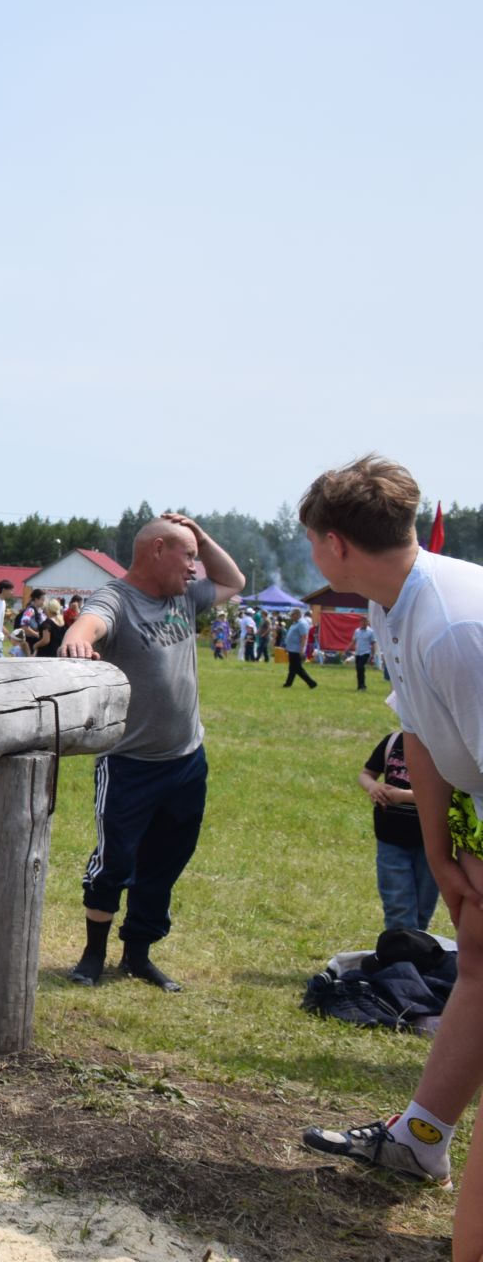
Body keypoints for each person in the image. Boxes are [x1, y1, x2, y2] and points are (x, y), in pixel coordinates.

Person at [297, 458, 483, 1226]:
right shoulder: (392, 601)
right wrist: (440, 853)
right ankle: (419, 1142)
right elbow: (423, 732)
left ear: (334, 543)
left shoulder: (454, 627)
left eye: (310, 541)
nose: (311, 554)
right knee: (474, 963)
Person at [59, 514, 243, 992]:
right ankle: (93, 953)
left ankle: (137, 955)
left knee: (165, 860)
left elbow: (234, 580)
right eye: (187, 556)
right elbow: (90, 624)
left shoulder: (184, 595)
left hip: (186, 759)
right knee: (115, 860)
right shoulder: (117, 597)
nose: (194, 568)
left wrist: (201, 536)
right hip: (130, 765)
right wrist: (78, 641)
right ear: (157, 549)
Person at [359, 729, 432, 932]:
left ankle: (415, 946)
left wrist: (403, 795)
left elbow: (446, 793)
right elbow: (366, 774)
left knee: (423, 906)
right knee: (397, 903)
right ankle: (401, 951)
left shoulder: (442, 744)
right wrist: (372, 786)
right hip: (390, 837)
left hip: (431, 840)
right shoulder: (392, 741)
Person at [283, 608, 317, 688]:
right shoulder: (295, 623)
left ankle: (312, 683)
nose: (291, 616)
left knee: (297, 668)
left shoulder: (302, 624)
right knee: (292, 668)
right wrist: (287, 646)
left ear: (298, 614)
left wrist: (302, 649)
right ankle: (288, 683)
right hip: (292, 648)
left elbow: (304, 637)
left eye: (292, 615)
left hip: (297, 649)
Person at [353, 618, 375, 691]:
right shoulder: (357, 631)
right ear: (360, 622)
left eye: (365, 621)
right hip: (358, 653)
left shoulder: (370, 632)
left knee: (361, 667)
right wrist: (347, 649)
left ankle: (363, 685)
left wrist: (372, 655)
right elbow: (354, 641)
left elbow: (373, 644)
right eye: (362, 622)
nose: (363, 623)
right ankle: (359, 685)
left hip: (366, 652)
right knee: (358, 670)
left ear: (367, 622)